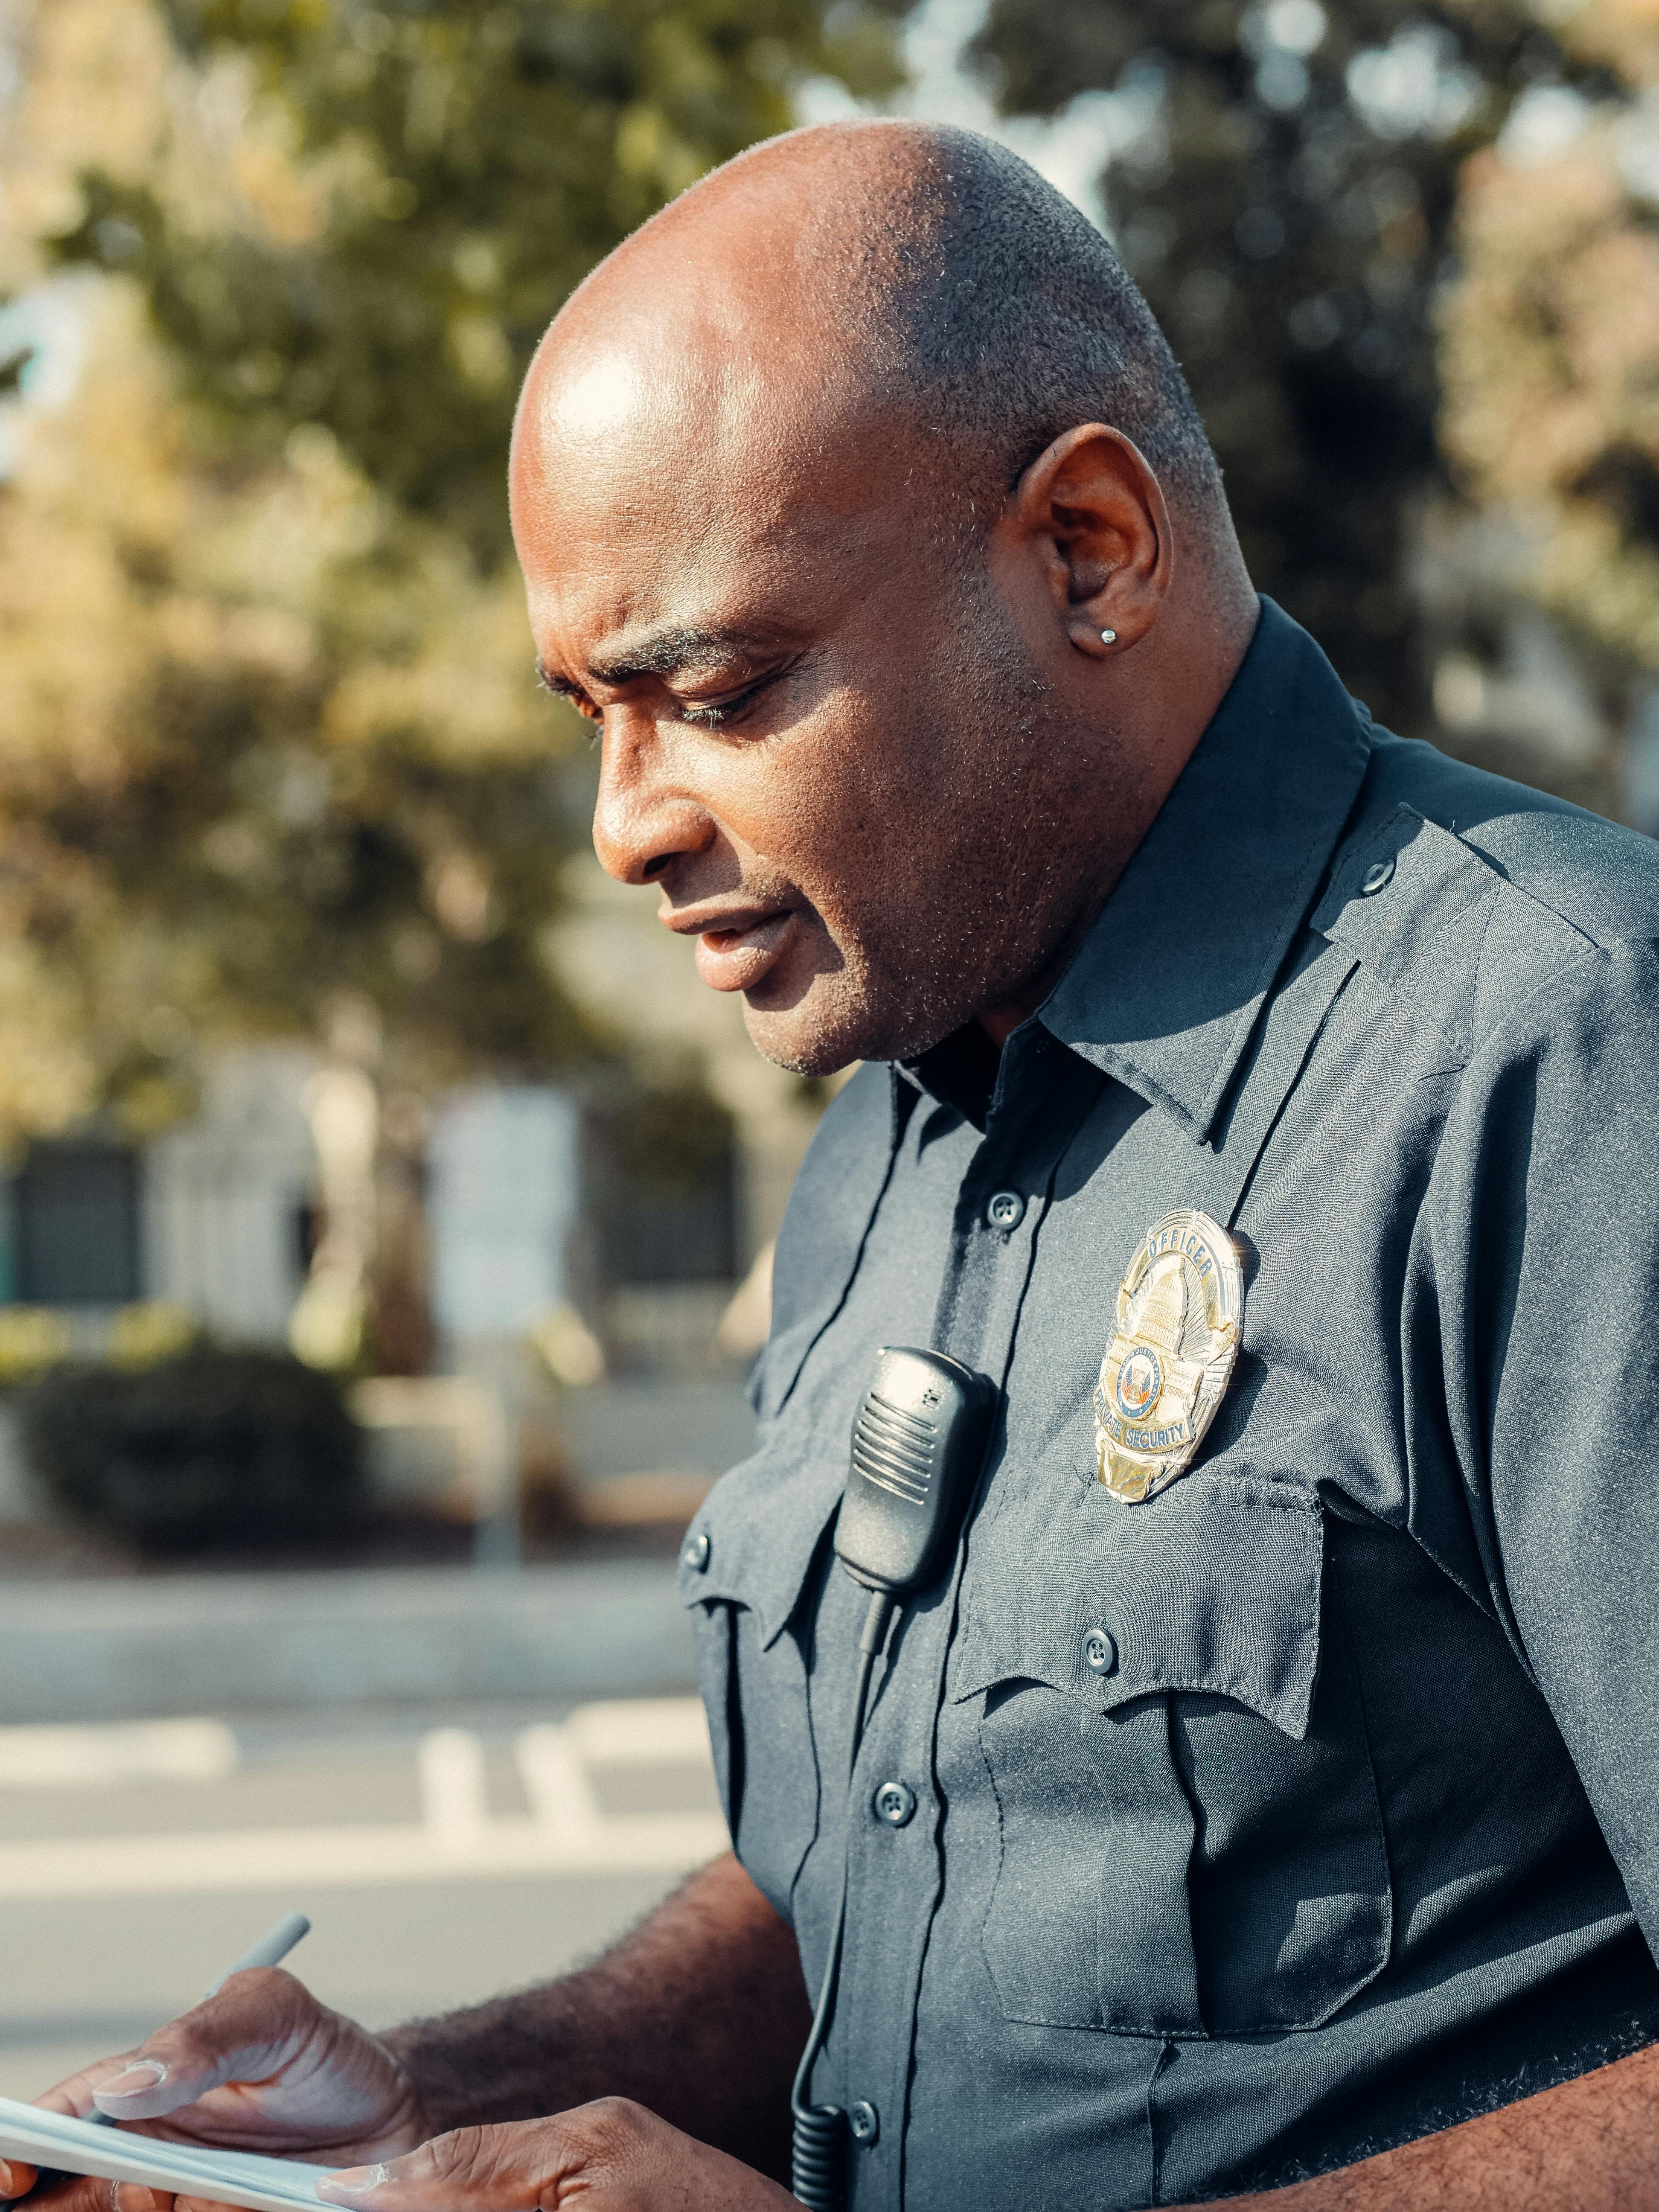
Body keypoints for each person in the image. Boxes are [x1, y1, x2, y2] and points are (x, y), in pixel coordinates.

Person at [9, 115, 1659, 2212]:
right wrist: (444, 2095)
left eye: (715, 687)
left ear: (1087, 550)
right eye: (587, 713)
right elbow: (903, 1887)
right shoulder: (896, 1098)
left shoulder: (1570, 1053)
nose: (625, 822)